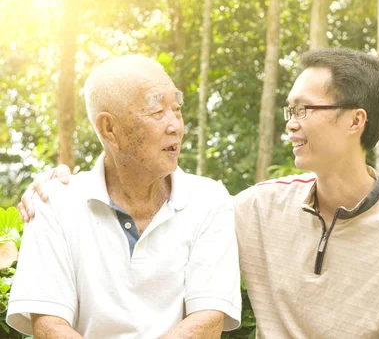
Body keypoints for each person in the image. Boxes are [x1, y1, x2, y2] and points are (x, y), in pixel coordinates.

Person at [19, 48, 379, 338]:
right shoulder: (256, 208)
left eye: (305, 109)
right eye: (289, 110)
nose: (291, 123)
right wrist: (55, 184)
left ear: (355, 121)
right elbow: (161, 205)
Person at [9, 55, 241, 338]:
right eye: (157, 112)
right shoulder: (52, 203)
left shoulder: (210, 200)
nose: (175, 126)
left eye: (177, 109)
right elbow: (49, 325)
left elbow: (206, 321)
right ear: (109, 129)